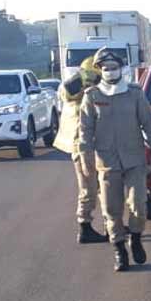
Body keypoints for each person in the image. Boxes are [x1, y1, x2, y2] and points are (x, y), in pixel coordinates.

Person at [80, 48, 151, 272]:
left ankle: (135, 238)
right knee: (111, 209)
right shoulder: (92, 96)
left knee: (138, 204)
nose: (110, 71)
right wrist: (85, 158)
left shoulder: (135, 93)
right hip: (107, 162)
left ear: (121, 68)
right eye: (105, 68)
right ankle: (119, 250)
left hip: (134, 159)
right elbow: (85, 132)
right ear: (99, 70)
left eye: (113, 67)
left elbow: (148, 124)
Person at [53, 55, 107, 244]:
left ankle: (110, 224)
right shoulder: (78, 94)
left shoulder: (74, 93)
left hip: (92, 145)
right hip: (83, 147)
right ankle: (84, 226)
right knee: (89, 188)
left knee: (102, 186)